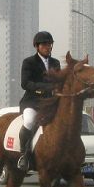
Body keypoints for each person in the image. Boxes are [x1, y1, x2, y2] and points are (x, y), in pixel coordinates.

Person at [17, 31, 61, 171]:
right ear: (37, 46)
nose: (48, 47)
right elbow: (25, 83)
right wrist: (45, 88)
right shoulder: (29, 62)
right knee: (29, 121)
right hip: (32, 102)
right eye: (45, 44)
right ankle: (24, 154)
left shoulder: (55, 63)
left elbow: (58, 81)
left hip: (50, 102)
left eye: (50, 44)